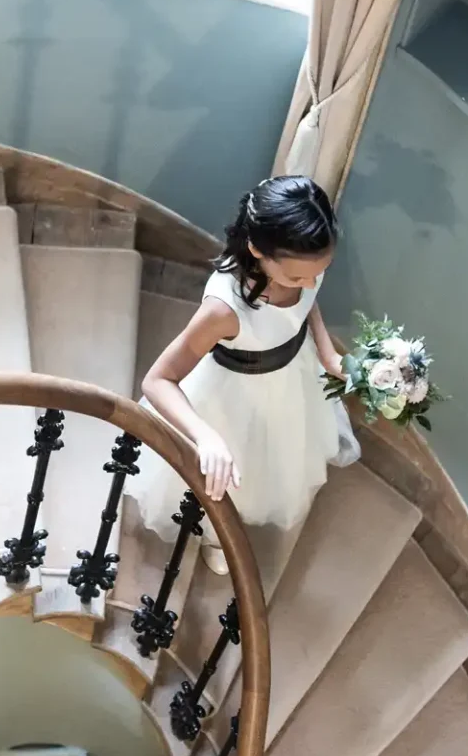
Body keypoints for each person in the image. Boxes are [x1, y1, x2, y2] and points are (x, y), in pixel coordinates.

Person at [132, 176, 344, 575]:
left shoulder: (306, 267)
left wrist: (327, 351)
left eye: (320, 271)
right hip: (232, 399)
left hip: (290, 379)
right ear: (257, 251)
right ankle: (214, 532)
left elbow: (306, 304)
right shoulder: (224, 310)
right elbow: (157, 380)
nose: (311, 283)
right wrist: (206, 435)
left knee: (278, 457)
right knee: (232, 473)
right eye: (297, 277)